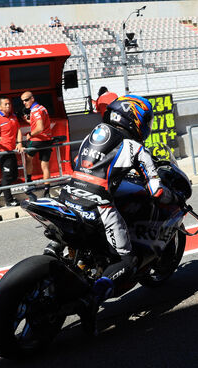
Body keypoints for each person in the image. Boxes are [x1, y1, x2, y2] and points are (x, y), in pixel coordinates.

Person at [56, 95, 171, 296]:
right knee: (127, 260)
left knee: (66, 237)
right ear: (134, 119)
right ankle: (92, 299)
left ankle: (54, 250)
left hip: (67, 196)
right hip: (98, 205)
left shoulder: (92, 134)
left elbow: (78, 161)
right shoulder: (134, 147)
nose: (146, 126)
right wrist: (168, 196)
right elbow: (155, 189)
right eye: (145, 122)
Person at [0, 97, 24, 208]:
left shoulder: (13, 117)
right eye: (5, 104)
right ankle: (9, 201)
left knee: (14, 176)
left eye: (9, 104)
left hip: (11, 151)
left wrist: (19, 142)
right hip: (3, 153)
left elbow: (18, 130)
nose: (8, 106)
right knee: (7, 177)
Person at [21, 91, 53, 197]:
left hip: (37, 141)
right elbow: (39, 123)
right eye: (22, 101)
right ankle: (47, 191)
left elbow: (40, 128)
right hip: (47, 140)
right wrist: (28, 121)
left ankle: (29, 183)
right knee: (45, 166)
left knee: (28, 159)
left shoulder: (34, 111)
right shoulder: (42, 108)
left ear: (32, 98)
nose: (24, 103)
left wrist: (30, 134)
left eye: (26, 100)